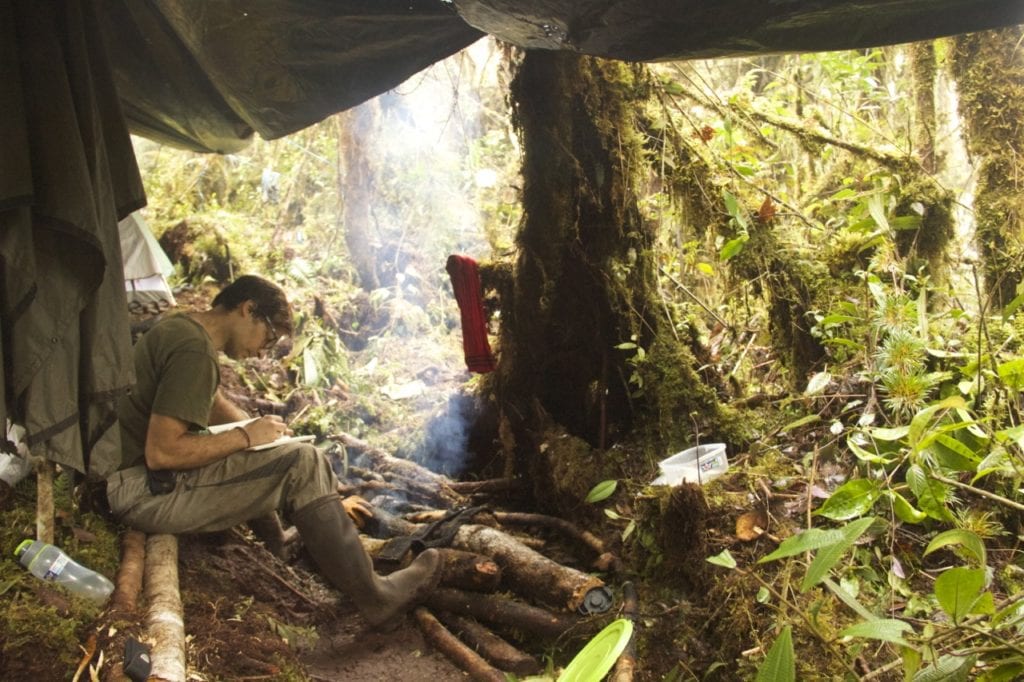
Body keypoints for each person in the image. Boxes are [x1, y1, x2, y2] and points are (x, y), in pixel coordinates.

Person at [106, 275, 442, 627]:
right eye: (268, 338)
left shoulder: (181, 327)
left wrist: (264, 437)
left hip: (137, 479)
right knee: (304, 461)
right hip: (141, 491)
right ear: (247, 309)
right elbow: (164, 452)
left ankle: (282, 547)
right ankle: (377, 598)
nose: (263, 352)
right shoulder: (193, 351)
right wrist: (246, 436)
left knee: (281, 454)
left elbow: (210, 402)